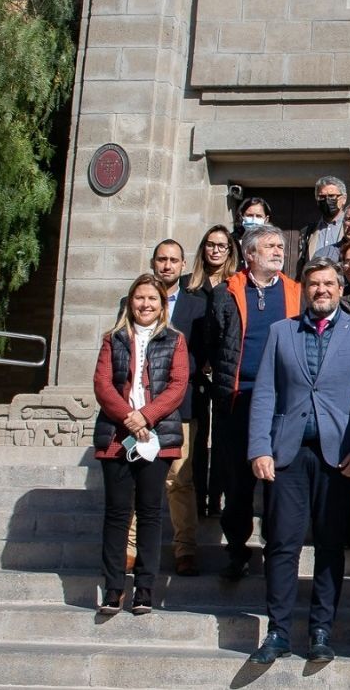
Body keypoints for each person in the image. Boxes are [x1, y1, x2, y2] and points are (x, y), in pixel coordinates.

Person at [245, 259, 350, 664]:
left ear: (341, 289)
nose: (321, 290)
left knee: (330, 545)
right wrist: (259, 448)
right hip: (287, 454)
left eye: (329, 283)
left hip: (338, 456)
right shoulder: (281, 331)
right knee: (281, 544)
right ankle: (277, 631)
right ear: (303, 289)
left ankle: (321, 630)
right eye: (314, 284)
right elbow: (266, 394)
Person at [208, 224, 302, 580]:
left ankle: (277, 551)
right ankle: (237, 551)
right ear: (249, 254)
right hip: (237, 399)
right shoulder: (226, 293)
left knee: (278, 480)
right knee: (237, 483)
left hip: (282, 404)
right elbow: (215, 341)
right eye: (270, 247)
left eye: (280, 245)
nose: (279, 251)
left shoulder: (296, 292)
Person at [92, 274, 189, 616]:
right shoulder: (113, 339)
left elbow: (177, 385)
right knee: (117, 515)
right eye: (139, 298)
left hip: (157, 436)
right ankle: (114, 587)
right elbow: (103, 384)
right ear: (130, 302)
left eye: (152, 299)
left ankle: (145, 589)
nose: (145, 305)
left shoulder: (175, 340)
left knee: (150, 514)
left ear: (162, 305)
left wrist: (146, 416)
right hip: (117, 436)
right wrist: (127, 417)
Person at [144, 239, 208, 576]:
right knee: (137, 475)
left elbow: (201, 355)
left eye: (173, 260)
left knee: (179, 478)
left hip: (180, 406)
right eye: (161, 259)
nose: (167, 265)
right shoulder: (135, 301)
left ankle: (185, 548)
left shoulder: (197, 306)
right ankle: (130, 546)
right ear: (153, 262)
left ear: (183, 265)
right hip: (139, 407)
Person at [187, 225, 238, 519]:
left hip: (222, 373)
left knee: (220, 440)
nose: (215, 250)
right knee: (196, 438)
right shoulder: (189, 286)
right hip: (194, 371)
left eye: (222, 245)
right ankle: (196, 497)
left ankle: (215, 498)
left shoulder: (235, 286)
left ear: (230, 250)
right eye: (210, 244)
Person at [295, 175, 348, 275]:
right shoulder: (307, 232)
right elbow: (302, 268)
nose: (327, 200)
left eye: (332, 196)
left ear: (344, 199)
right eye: (322, 197)